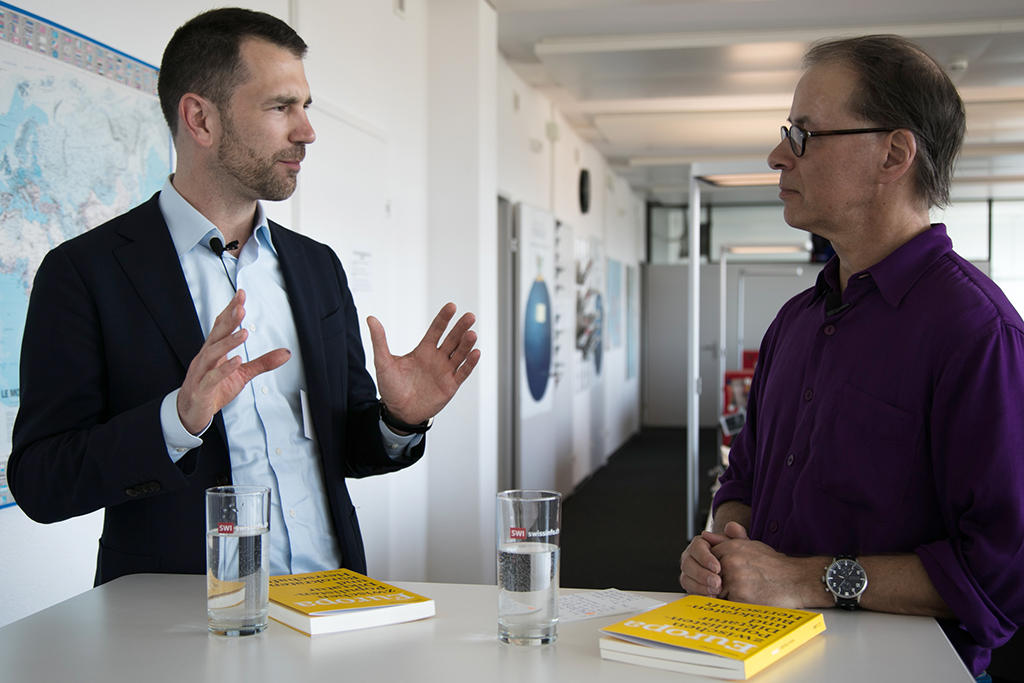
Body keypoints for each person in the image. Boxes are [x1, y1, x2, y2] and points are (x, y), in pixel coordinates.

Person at [9, 8, 480, 586]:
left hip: (332, 606)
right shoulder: (84, 273)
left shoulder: (317, 268)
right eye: (281, 107)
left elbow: (350, 448)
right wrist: (176, 421)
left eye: (306, 108)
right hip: (181, 633)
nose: (306, 131)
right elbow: (41, 481)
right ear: (200, 119)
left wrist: (398, 421)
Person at [678, 35, 1024, 679]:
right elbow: (744, 483)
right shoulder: (796, 323)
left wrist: (806, 580)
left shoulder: (978, 333)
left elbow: (1001, 573)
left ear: (893, 153)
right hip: (766, 654)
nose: (779, 154)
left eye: (805, 133)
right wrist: (727, 547)